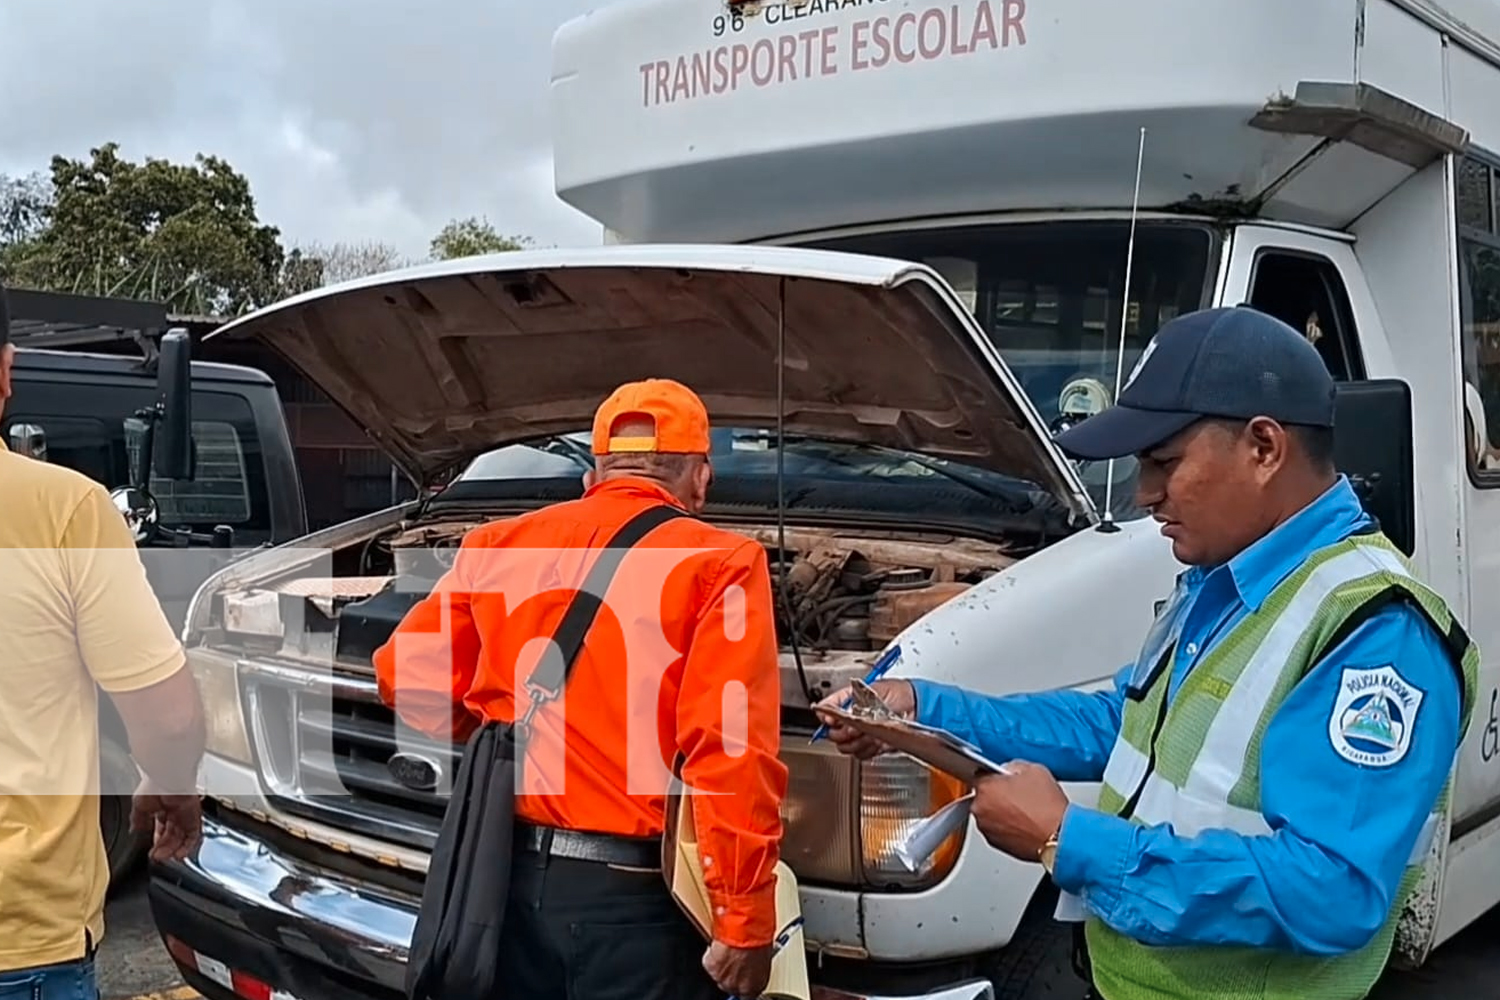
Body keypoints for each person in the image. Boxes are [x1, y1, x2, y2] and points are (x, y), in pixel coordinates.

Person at [816, 306, 1479, 1000]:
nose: (1144, 494)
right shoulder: (1223, 582)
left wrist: (1067, 840)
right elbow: (1125, 724)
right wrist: (924, 713)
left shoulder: (1377, 631)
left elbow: (1332, 891)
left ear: (1264, 448)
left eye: (1164, 462)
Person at [372, 378, 788, 1000]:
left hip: (502, 884)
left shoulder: (496, 544)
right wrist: (744, 919)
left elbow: (405, 678)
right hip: (632, 904)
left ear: (593, 473)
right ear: (700, 477)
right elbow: (727, 752)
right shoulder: (721, 562)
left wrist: (497, 715)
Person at [0, 284, 207, 1000]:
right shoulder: (66, 509)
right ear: (4, 371)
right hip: (21, 942)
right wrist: (171, 787)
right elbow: (169, 716)